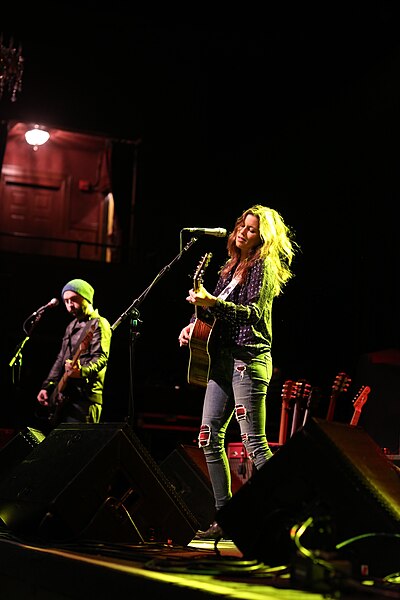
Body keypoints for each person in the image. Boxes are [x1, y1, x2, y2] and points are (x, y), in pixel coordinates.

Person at [178, 204, 299, 540]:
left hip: (249, 357)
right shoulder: (229, 268)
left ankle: (292, 513)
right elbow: (210, 310)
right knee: (208, 437)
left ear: (265, 236)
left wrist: (212, 304)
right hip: (221, 359)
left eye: (253, 229)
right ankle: (226, 517)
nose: (245, 233)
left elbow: (252, 314)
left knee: (253, 442)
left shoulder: (264, 265)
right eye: (243, 227)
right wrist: (192, 326)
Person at [37, 278, 112, 428]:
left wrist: (82, 372)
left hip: (85, 400)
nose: (70, 305)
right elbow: (60, 360)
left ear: (86, 298)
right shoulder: (71, 326)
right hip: (66, 399)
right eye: (66, 301)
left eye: (73, 300)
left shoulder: (99, 323)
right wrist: (47, 386)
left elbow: (101, 358)